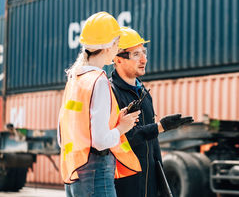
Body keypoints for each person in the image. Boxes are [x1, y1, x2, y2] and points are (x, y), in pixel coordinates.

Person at [58, 12, 142, 197]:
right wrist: (122, 127)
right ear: (107, 47)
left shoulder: (75, 79)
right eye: (117, 42)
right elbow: (101, 141)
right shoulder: (99, 80)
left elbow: (63, 133)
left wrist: (114, 122)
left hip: (75, 170)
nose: (118, 47)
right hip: (97, 173)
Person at [111, 27, 193, 197]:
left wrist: (160, 180)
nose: (144, 59)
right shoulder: (111, 93)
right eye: (136, 54)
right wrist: (160, 127)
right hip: (125, 185)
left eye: (144, 52)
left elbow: (153, 145)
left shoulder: (144, 94)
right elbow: (123, 139)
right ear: (118, 59)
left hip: (149, 185)